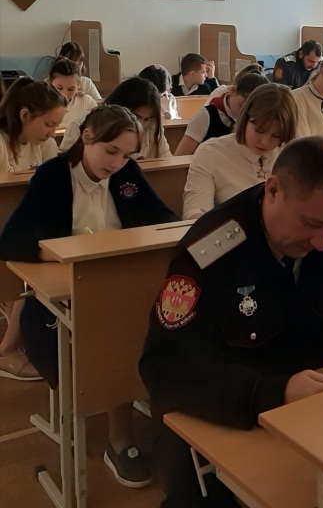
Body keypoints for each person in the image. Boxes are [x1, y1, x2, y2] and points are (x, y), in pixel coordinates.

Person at [139, 136, 323, 507]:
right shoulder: (210, 250)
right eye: (312, 224)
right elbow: (166, 368)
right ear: (273, 190)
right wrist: (273, 392)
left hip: (312, 403)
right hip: (220, 408)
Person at [0, 105, 176, 488]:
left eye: (127, 155)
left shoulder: (126, 174)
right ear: (87, 137)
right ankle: (120, 437)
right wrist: (63, 252)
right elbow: (11, 241)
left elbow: (163, 219)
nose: (117, 163)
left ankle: (166, 411)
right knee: (116, 331)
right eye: (111, 151)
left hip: (119, 283)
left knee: (166, 318)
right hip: (63, 295)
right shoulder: (53, 176)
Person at [0, 79, 67, 381]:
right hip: (8, 228)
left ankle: (23, 338)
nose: (53, 133)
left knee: (41, 251)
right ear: (25, 115)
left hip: (19, 226)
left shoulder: (47, 145)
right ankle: (9, 347)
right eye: (48, 124)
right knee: (28, 257)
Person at [182, 84, 297, 220]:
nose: (265, 142)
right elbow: (195, 211)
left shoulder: (292, 157)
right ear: (244, 118)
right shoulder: (210, 153)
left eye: (276, 135)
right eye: (259, 130)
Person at [60, 77, 172, 159]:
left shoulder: (154, 127)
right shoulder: (80, 126)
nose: (141, 125)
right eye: (136, 117)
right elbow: (64, 171)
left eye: (147, 119)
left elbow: (167, 163)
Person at [174, 72, 268, 156]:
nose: (246, 113)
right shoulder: (207, 115)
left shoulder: (254, 120)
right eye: (242, 105)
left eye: (253, 109)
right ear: (233, 91)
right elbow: (181, 156)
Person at [48, 57, 99, 129]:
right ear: (50, 83)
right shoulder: (40, 104)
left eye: (71, 89)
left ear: (78, 86)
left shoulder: (87, 103)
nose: (64, 94)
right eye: (59, 88)